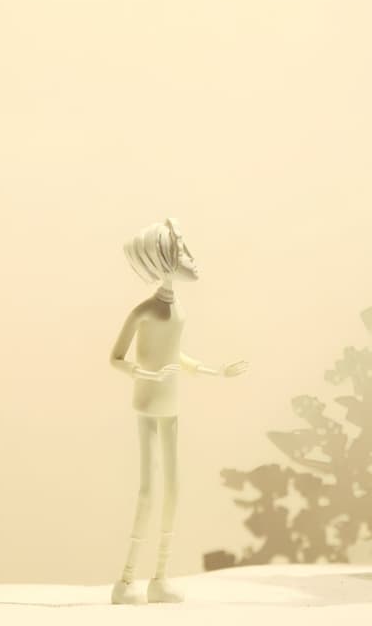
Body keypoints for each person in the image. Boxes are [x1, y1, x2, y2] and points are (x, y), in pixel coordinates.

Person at [108, 218, 247, 604]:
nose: (191, 257)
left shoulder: (178, 310)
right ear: (163, 260)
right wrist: (145, 373)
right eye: (181, 250)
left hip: (171, 405)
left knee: (173, 490)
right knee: (148, 490)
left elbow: (174, 354)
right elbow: (116, 357)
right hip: (148, 404)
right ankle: (126, 581)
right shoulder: (144, 312)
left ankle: (160, 579)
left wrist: (214, 370)